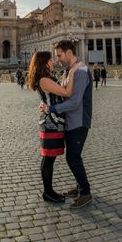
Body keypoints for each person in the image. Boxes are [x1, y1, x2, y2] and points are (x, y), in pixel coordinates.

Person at [40, 39, 93, 209]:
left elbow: (75, 102)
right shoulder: (69, 71)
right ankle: (79, 187)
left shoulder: (81, 71)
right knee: (73, 157)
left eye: (59, 55)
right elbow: (64, 93)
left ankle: (85, 193)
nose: (58, 59)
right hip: (70, 121)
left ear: (69, 53)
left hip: (79, 120)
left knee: (73, 158)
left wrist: (51, 108)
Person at [28, 51, 79, 204]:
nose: (52, 61)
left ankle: (49, 191)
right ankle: (48, 192)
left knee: (50, 158)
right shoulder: (44, 79)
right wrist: (72, 73)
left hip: (53, 121)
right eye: (50, 59)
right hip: (51, 123)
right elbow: (66, 92)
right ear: (44, 62)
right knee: (48, 158)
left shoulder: (46, 78)